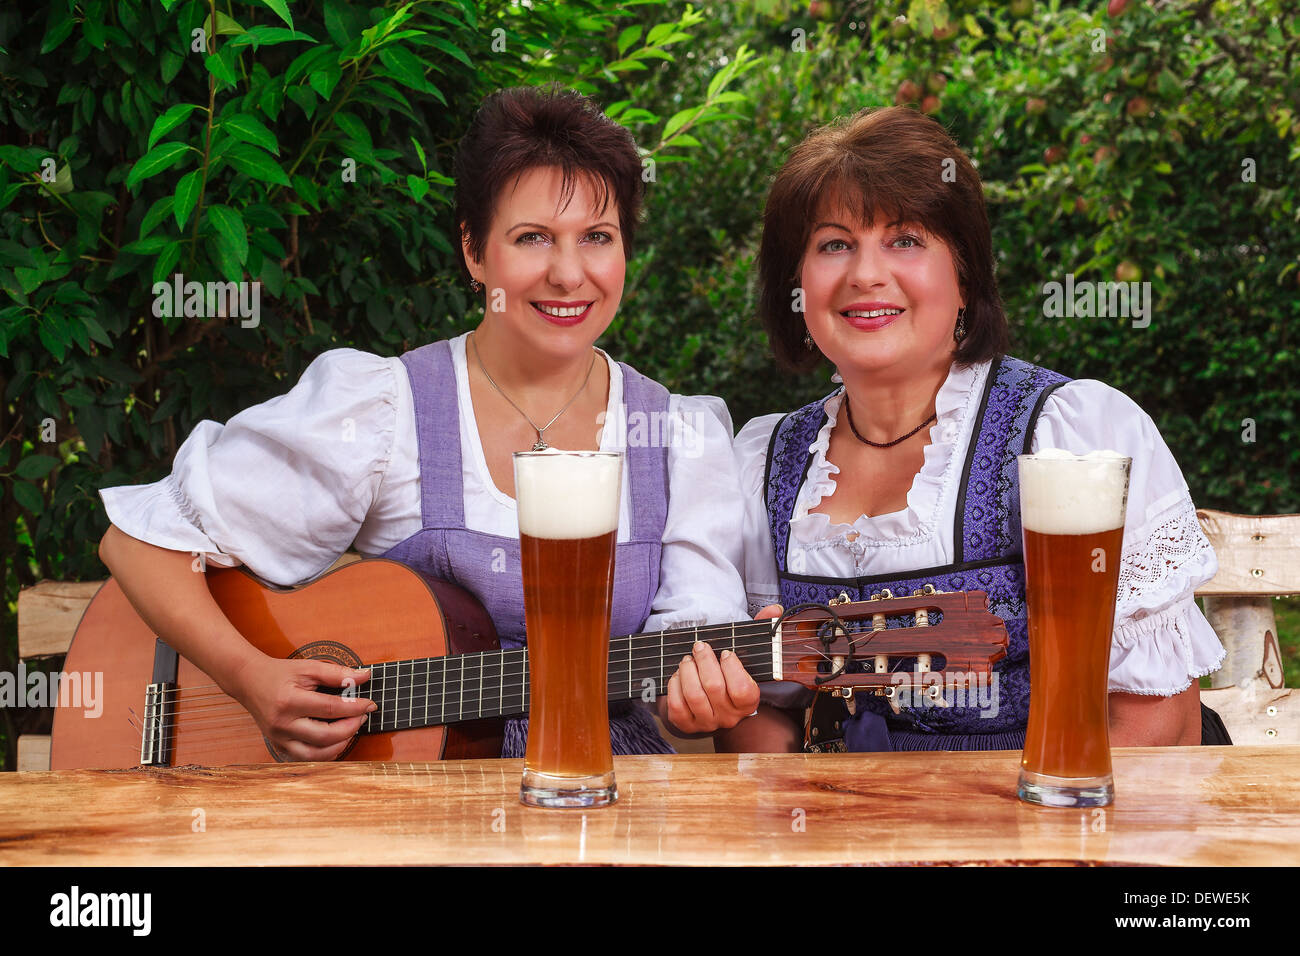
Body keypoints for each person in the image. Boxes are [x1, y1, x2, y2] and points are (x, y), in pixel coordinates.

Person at [97, 85, 760, 762]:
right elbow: (141, 545)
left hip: (595, 792)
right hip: (405, 812)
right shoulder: (387, 409)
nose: (569, 273)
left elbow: (698, 662)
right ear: (474, 250)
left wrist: (705, 694)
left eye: (597, 237)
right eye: (532, 237)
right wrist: (253, 679)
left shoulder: (679, 437)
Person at [711, 105, 1228, 753]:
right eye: (834, 243)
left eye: (905, 239)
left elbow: (1154, 726)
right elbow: (768, 719)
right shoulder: (764, 460)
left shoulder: (1072, 433)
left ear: (964, 277)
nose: (865, 273)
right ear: (798, 284)